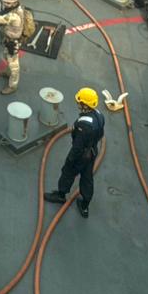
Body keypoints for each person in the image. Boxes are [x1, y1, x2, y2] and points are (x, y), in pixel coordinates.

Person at [44, 88, 104, 218]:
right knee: (87, 178)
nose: (78, 104)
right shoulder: (99, 115)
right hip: (92, 152)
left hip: (81, 156)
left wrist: (70, 160)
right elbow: (101, 134)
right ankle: (85, 206)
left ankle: (61, 195)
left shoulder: (84, 125)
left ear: (84, 105)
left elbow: (77, 147)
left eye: (79, 102)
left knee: (68, 172)